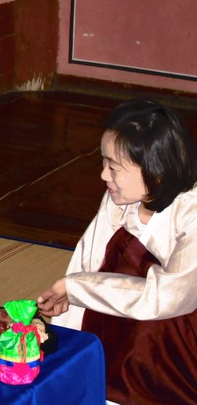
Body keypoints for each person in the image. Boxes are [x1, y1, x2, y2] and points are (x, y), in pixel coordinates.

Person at [37, 99, 197, 404]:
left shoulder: (192, 213)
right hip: (128, 313)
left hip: (176, 326)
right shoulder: (119, 196)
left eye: (113, 167)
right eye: (103, 161)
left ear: (156, 173)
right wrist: (68, 345)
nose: (103, 175)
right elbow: (89, 263)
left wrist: (78, 288)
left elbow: (166, 298)